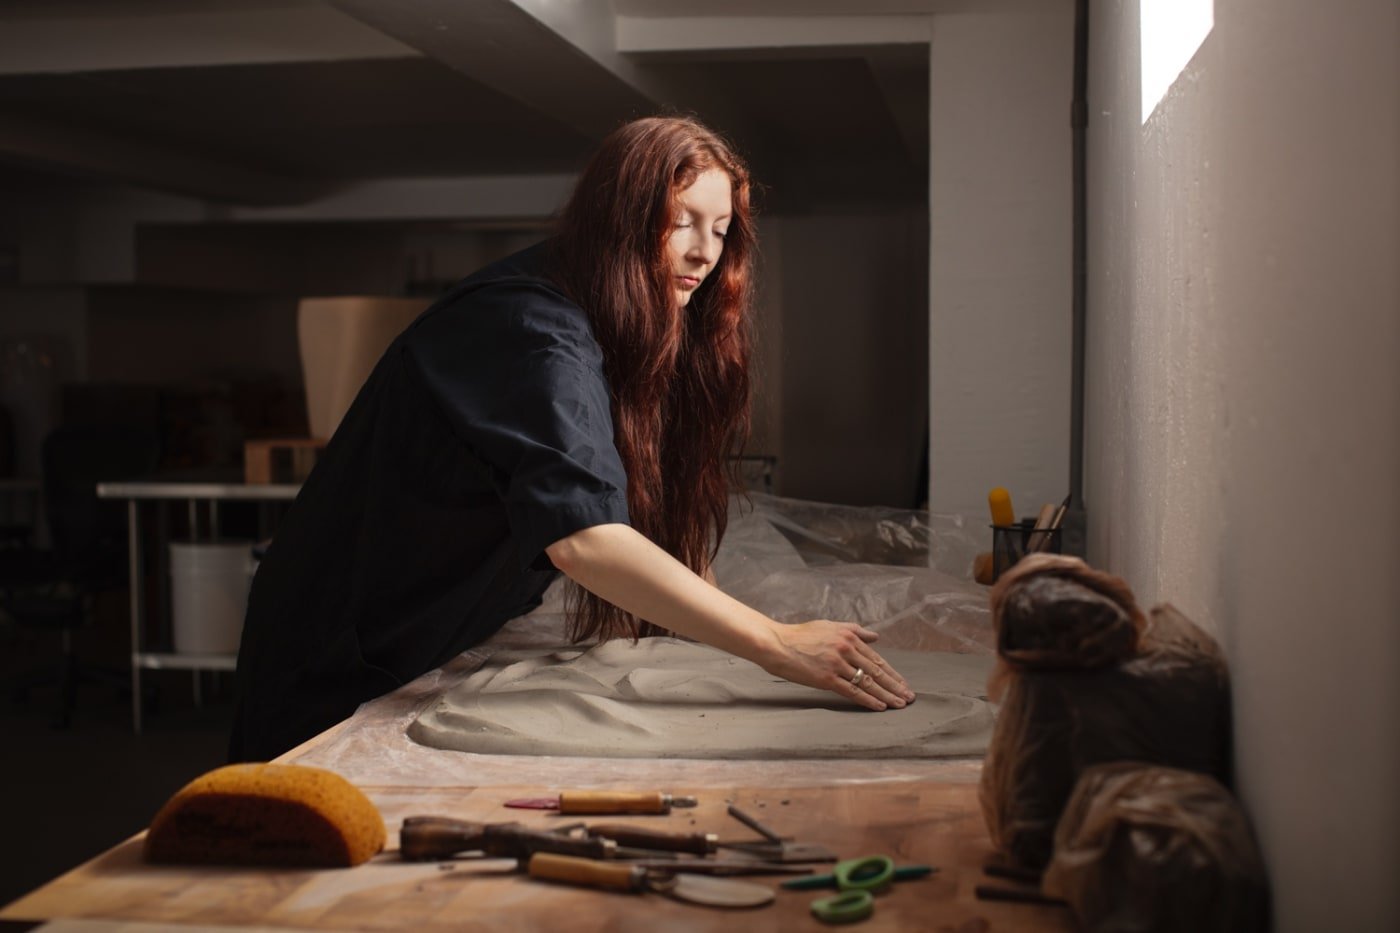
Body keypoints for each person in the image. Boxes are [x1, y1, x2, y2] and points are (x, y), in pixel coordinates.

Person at [229, 116, 915, 762]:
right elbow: (585, 539)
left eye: (721, 228)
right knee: (285, 830)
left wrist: (731, 636)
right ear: (619, 218)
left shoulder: (625, 315)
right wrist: (775, 643)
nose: (705, 252)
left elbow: (642, 518)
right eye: (680, 222)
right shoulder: (529, 326)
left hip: (433, 627)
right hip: (337, 645)